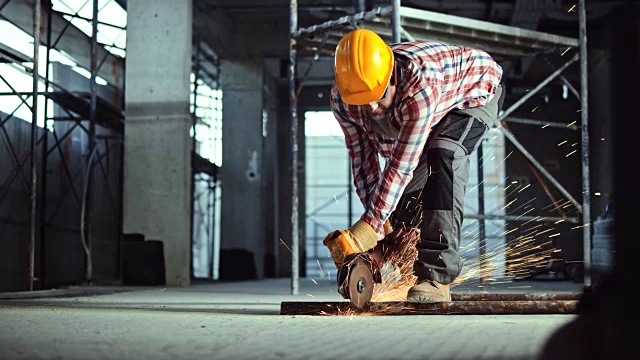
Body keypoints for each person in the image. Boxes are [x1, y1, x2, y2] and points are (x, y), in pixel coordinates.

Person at [323, 29, 505, 303]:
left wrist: (368, 226)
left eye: (378, 96)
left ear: (392, 76)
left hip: (472, 95)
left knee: (445, 154)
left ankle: (437, 276)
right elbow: (363, 162)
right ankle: (399, 263)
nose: (372, 109)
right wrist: (380, 227)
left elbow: (400, 165)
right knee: (402, 199)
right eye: (362, 101)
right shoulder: (342, 97)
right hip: (429, 108)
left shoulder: (419, 85)